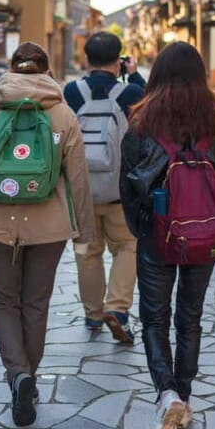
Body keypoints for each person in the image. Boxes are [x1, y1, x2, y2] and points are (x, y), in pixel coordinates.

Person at [0, 42, 95, 428]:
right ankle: (27, 378)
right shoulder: (63, 114)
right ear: (46, 71)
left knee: (3, 300)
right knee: (36, 303)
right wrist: (84, 233)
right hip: (48, 226)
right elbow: (79, 182)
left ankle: (17, 374)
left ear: (11, 69)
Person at [120, 42, 215, 429]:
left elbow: (130, 185)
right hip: (203, 238)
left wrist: (143, 227)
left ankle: (167, 393)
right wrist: (207, 213)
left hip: (158, 235)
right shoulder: (211, 123)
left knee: (155, 318)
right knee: (189, 318)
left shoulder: (141, 122)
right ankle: (184, 398)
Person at [63, 31, 145, 343]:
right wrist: (134, 75)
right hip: (119, 190)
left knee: (87, 251)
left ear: (86, 59)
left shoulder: (71, 92)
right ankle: (118, 308)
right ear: (118, 60)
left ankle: (93, 314)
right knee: (127, 246)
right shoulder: (130, 93)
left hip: (80, 189)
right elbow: (153, 112)